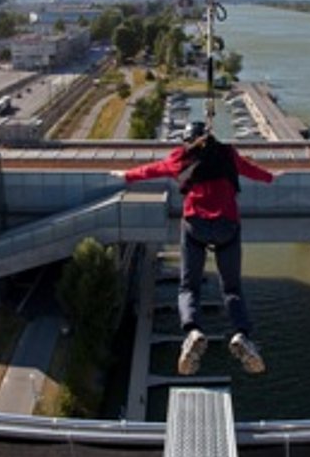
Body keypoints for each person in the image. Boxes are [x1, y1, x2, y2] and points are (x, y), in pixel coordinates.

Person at [115, 121, 278, 375]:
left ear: (187, 140)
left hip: (195, 226)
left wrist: (126, 176)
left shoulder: (181, 158)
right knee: (232, 287)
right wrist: (271, 177)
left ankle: (192, 331)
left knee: (189, 285)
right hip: (227, 225)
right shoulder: (227, 153)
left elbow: (152, 170)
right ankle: (241, 335)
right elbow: (251, 170)